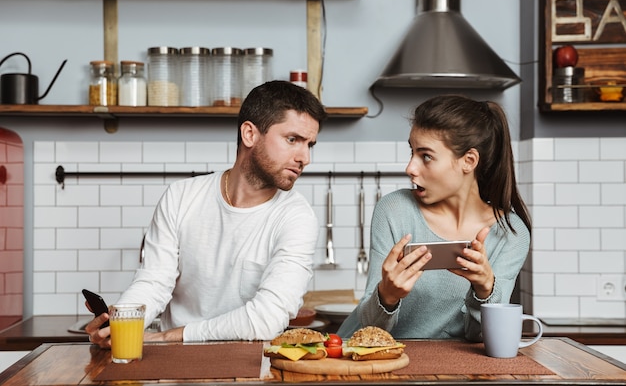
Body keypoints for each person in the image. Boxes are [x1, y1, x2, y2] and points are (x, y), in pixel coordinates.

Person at [85, 80, 327, 346]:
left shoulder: (297, 218)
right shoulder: (181, 197)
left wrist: (172, 335)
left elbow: (267, 319)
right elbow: (154, 281)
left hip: (251, 370)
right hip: (173, 367)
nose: (305, 157)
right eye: (292, 140)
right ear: (249, 134)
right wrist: (121, 323)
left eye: (309, 145)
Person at [337, 95, 531, 342]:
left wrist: (485, 290)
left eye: (426, 156)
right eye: (412, 152)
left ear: (468, 161)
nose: (410, 168)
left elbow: (483, 338)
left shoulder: (511, 233)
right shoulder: (395, 209)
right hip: (364, 357)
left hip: (441, 370)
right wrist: (386, 295)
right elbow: (369, 326)